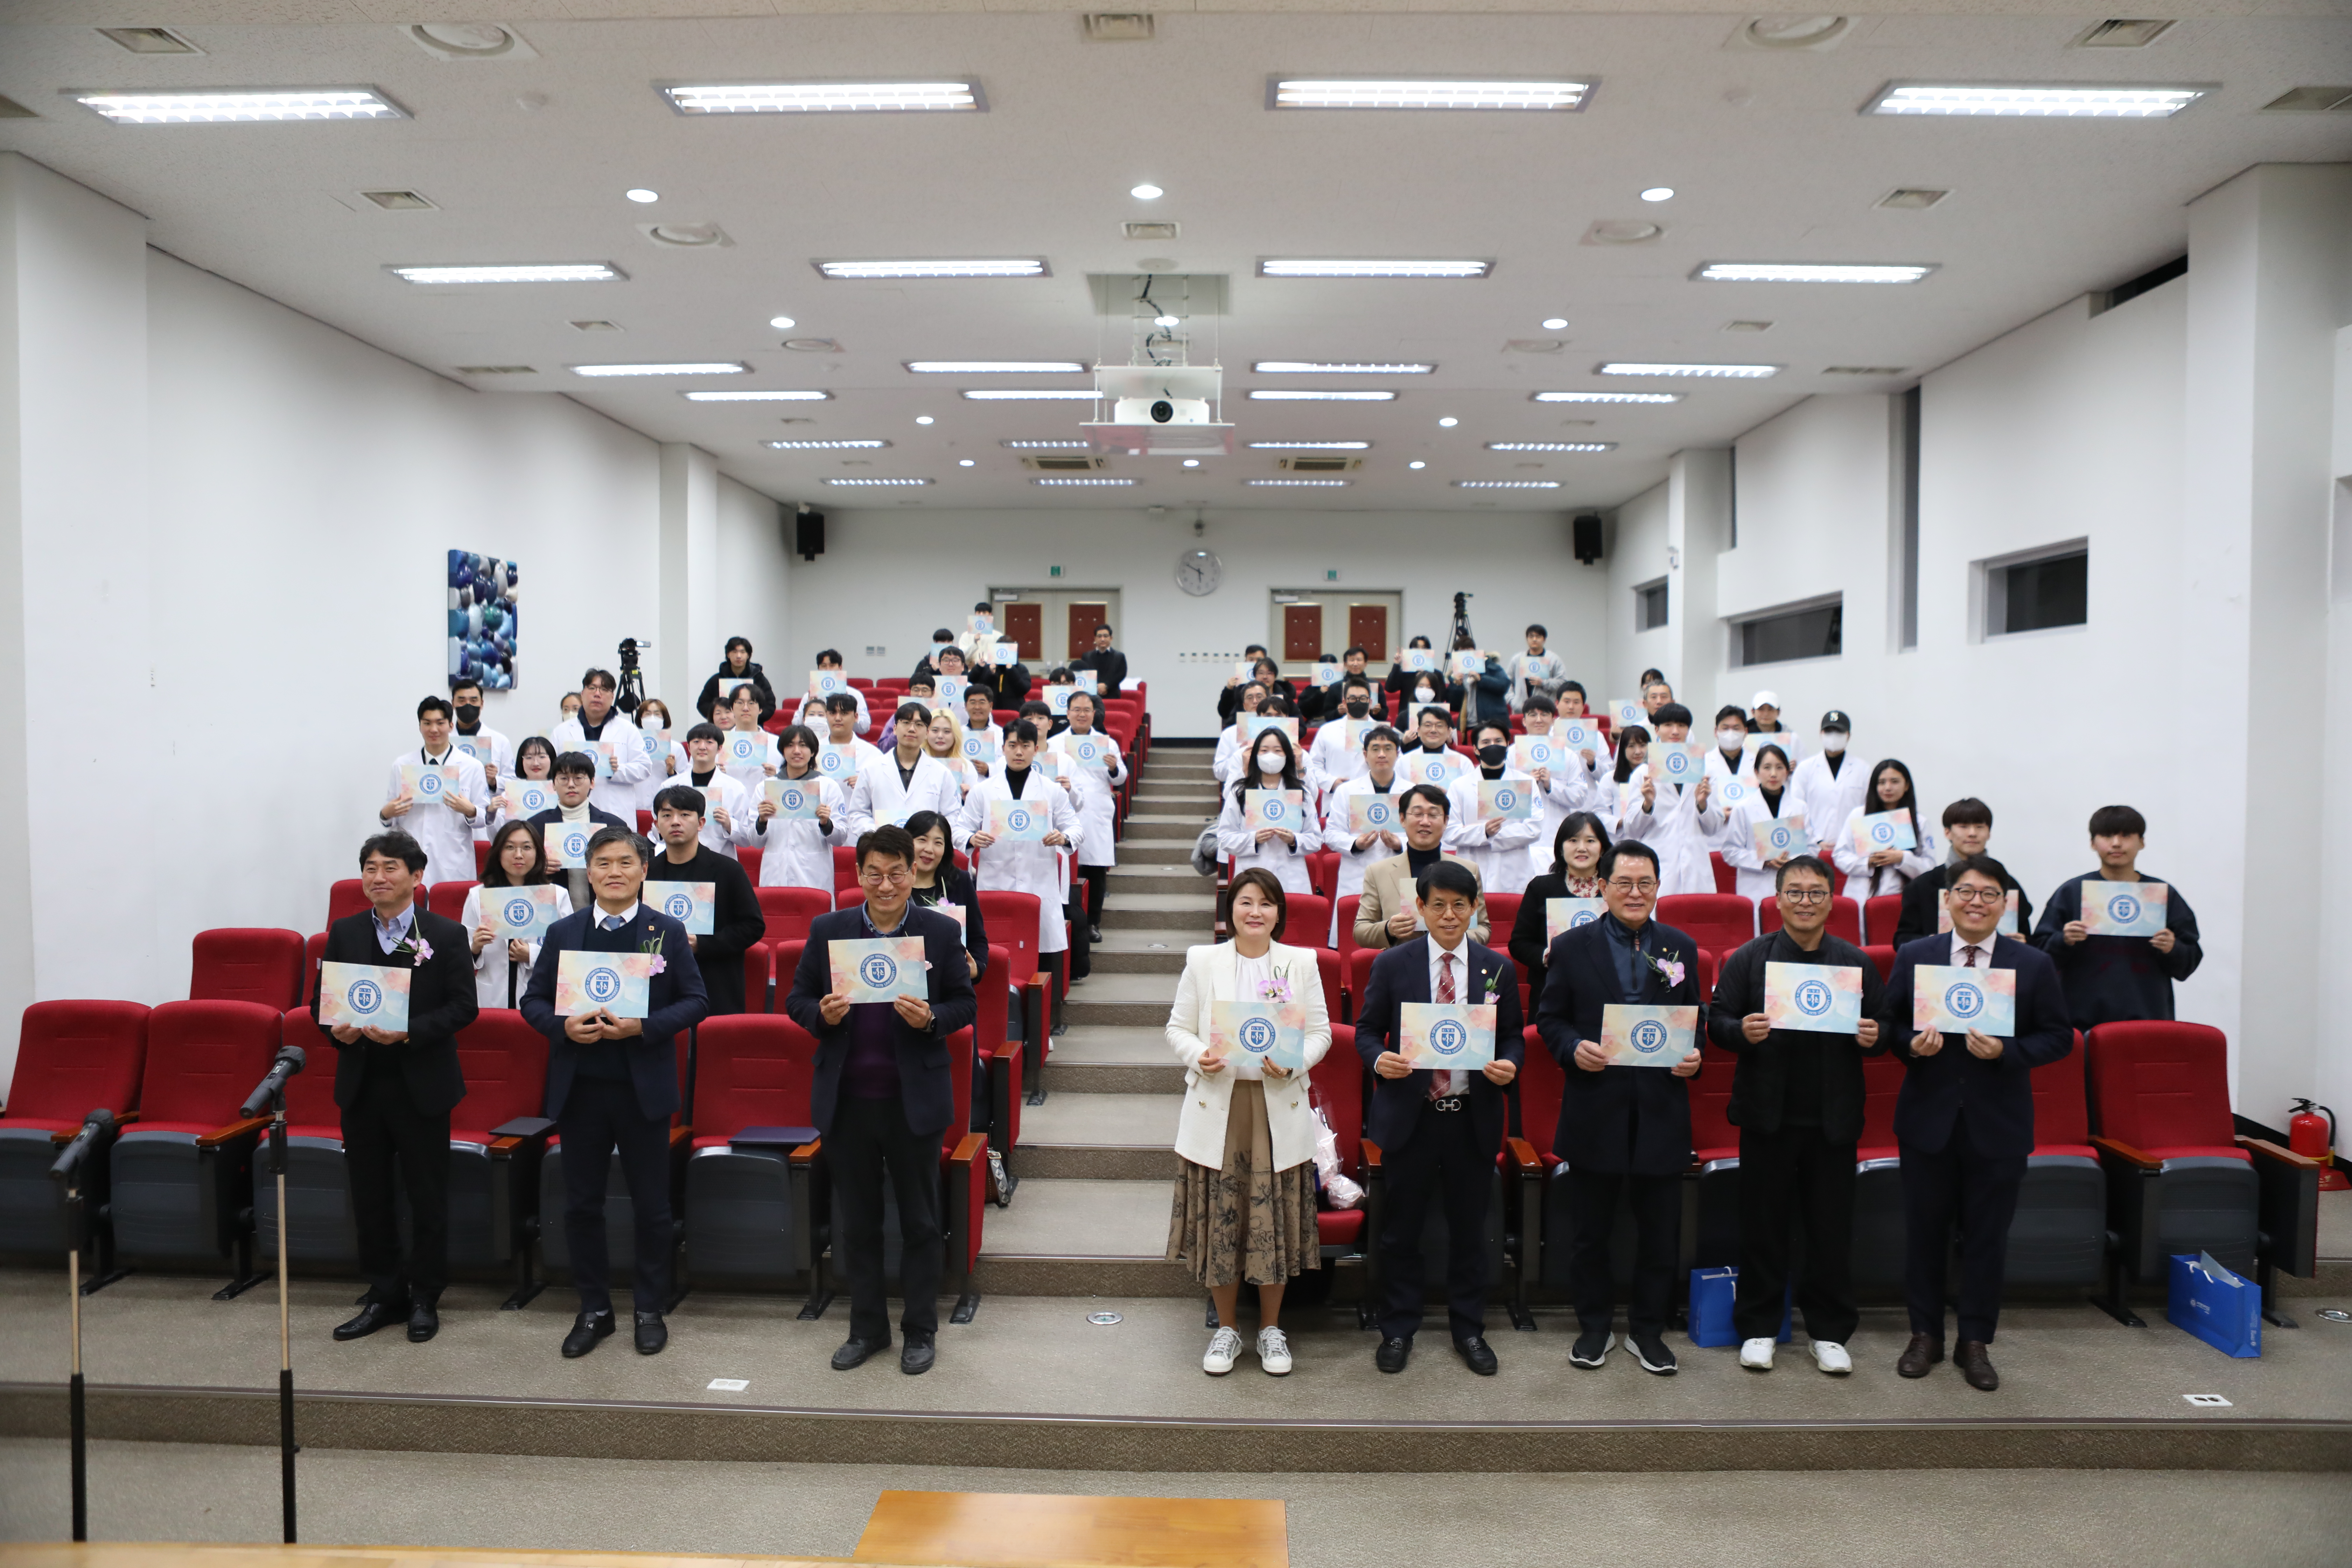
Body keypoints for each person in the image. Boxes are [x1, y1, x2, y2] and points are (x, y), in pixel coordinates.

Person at [784, 825, 978, 1376]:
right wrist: (820, 1014)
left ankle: (920, 1330)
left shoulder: (939, 933)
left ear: (914, 873)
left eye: (897, 872)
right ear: (858, 875)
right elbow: (796, 999)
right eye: (875, 872)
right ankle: (867, 1328)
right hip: (847, 1100)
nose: (887, 883)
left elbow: (965, 1003)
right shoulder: (829, 929)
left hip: (912, 1099)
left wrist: (935, 1019)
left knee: (919, 1221)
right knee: (859, 1224)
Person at [1880, 854, 2072, 1392]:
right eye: (1966, 891)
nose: (1976, 902)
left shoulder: (2030, 964)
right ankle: (1924, 1335)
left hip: (1998, 1123)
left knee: (1988, 1238)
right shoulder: (1916, 956)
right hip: (1928, 1121)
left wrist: (2007, 1053)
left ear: (2005, 904)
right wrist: (1910, 1046)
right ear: (1947, 899)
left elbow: (2058, 1036)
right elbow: (1889, 1026)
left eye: (1990, 894)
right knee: (1924, 1235)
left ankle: (1975, 1341)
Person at [522, 826, 708, 1359]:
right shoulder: (564, 932)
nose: (614, 873)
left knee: (651, 1206)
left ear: (643, 871)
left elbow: (696, 1001)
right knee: (582, 1205)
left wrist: (642, 1027)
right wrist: (562, 1028)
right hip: (580, 1089)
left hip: (642, 1088)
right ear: (589, 871)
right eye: (603, 863)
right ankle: (595, 1310)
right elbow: (533, 1002)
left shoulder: (665, 931)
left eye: (626, 863)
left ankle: (650, 1307)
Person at [1708, 855, 1886, 1375]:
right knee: (1763, 1227)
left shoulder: (1855, 962)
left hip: (1833, 1120)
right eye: (1795, 893)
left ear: (1832, 900)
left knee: (1830, 1231)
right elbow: (1717, 1021)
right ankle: (1760, 1328)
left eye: (1815, 893)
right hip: (1768, 1116)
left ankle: (1830, 1333)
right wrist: (1743, 1032)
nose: (1805, 902)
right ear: (1778, 899)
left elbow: (1888, 1026)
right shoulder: (1749, 958)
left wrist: (1874, 1037)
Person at [1534, 839, 1705, 1375]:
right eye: (1625, 883)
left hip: (1661, 1107)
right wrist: (1570, 1048)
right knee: (1592, 1232)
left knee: (1660, 1231)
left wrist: (1694, 1055)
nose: (1636, 893)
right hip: (1596, 1104)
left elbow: (1694, 1018)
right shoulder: (1570, 947)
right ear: (1600, 887)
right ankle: (1595, 1327)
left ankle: (1649, 1330)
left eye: (1646, 883)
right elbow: (1551, 1018)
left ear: (1658, 887)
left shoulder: (1680, 946)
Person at [1354, 859, 1524, 1375]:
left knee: (1471, 1231)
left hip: (1472, 1114)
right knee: (1401, 1231)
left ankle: (1469, 1329)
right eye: (1439, 905)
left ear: (1475, 910)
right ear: (1421, 909)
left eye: (1460, 905)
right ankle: (1398, 1328)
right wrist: (1378, 1059)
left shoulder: (1498, 968)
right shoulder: (1392, 964)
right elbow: (1365, 1032)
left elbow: (1515, 1034)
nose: (1450, 915)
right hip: (1413, 1116)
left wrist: (1511, 1062)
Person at [1163, 869, 1333, 1376]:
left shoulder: (1301, 963)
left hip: (1277, 1104)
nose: (1254, 912)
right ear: (1230, 909)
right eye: (1245, 902)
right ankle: (1228, 1329)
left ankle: (1273, 1330)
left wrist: (1296, 1062)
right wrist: (1200, 1057)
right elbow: (1177, 1028)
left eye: (1265, 903)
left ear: (1279, 912)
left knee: (1272, 1219)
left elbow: (1321, 1033)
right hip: (1221, 1104)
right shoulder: (1203, 960)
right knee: (1224, 1219)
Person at [314, 831, 479, 1344]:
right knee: (370, 1194)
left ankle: (426, 1295)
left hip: (421, 1082)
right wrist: (335, 1031)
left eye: (389, 868)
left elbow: (463, 1008)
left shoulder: (446, 935)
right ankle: (384, 1292)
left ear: (416, 876)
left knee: (426, 1194)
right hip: (363, 1082)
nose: (378, 878)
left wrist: (410, 1030)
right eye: (369, 868)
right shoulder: (342, 932)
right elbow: (326, 1004)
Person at [2029, 805, 2202, 1030]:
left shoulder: (2161, 895)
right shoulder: (2072, 893)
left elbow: (2190, 959)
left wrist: (2173, 948)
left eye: (2126, 836)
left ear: (2142, 842)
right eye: (2107, 836)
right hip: (2080, 1022)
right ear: (2093, 843)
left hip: (2147, 1019)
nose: (2117, 844)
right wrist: (2064, 940)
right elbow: (2038, 956)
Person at [954, 718, 1081, 997]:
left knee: (1041, 960)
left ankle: (1041, 1031)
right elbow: (959, 829)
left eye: (1025, 746)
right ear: (1003, 748)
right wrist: (972, 839)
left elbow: (1076, 828)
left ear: (1036, 749)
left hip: (1040, 883)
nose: (1019, 752)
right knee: (995, 956)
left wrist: (1064, 838)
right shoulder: (984, 791)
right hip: (996, 883)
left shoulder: (1052, 791)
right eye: (1013, 745)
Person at [648, 785, 766, 1016]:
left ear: (701, 823)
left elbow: (753, 927)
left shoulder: (728, 871)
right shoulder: (646, 873)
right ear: (657, 825)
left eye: (684, 815)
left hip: (715, 979)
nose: (675, 822)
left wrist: (701, 944)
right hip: (659, 982)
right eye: (667, 815)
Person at [1352, 785, 1490, 948]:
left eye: (1433, 815)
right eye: (1417, 814)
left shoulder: (1469, 869)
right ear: (1402, 819)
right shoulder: (1378, 872)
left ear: (1446, 821)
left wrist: (1459, 939)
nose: (1425, 822)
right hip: (1402, 965)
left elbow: (1483, 927)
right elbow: (1361, 930)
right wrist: (1389, 929)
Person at [1893, 799, 2036, 946]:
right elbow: (1902, 940)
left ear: (1989, 834)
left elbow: (2031, 939)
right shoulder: (1922, 886)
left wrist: (2024, 943)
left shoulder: (2009, 884)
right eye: (1964, 827)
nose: (1972, 834)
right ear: (1948, 833)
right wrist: (1929, 943)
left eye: (1980, 827)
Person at [379, 696, 489, 888]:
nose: (434, 730)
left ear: (451, 726)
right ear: (420, 726)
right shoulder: (403, 765)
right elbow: (389, 818)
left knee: (450, 912)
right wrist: (386, 814)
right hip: (410, 856)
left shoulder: (471, 767)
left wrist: (470, 810)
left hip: (453, 859)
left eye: (440, 723)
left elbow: (484, 818)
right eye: (427, 723)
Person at [464, 820, 573, 1009]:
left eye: (527, 848)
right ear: (498, 853)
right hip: (492, 995)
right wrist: (475, 948)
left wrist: (533, 955)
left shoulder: (556, 895)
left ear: (538, 852)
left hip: (541, 996)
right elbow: (462, 957)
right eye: (510, 847)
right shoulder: (479, 895)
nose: (519, 855)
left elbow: (570, 955)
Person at [1049, 691, 1128, 946]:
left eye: (1087, 710)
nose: (1082, 714)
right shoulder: (1055, 744)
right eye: (1076, 710)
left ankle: (1093, 922)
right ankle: (1068, 920)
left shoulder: (1107, 743)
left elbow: (1121, 779)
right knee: (1069, 867)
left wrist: (1114, 767)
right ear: (1068, 713)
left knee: (1095, 869)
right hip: (1065, 809)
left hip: (1095, 810)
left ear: (1094, 714)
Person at [1616, 702, 1715, 897]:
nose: (1676, 731)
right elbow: (1632, 829)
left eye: (1682, 726)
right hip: (1660, 860)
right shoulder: (1642, 774)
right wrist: (1647, 805)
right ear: (1656, 730)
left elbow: (1714, 828)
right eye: (1669, 725)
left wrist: (1703, 805)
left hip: (1696, 864)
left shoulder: (1705, 771)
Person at [1508, 811, 1612, 995]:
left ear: (1603, 848)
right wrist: (1547, 956)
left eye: (1590, 841)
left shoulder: (1615, 889)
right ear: (1561, 848)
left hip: (1605, 988)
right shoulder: (1541, 888)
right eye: (1573, 840)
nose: (1582, 848)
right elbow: (1519, 944)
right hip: (1551, 989)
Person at [1215, 727, 1321, 894]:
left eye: (1278, 751)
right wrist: (1253, 840)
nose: (1271, 756)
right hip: (1251, 875)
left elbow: (1316, 839)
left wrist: (1294, 840)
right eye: (1264, 751)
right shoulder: (1240, 792)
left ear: (1288, 755)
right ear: (1255, 755)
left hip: (1292, 878)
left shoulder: (1301, 792)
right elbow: (1225, 838)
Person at [1444, 720, 1542, 896]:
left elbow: (1534, 829)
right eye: (1486, 743)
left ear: (1508, 744)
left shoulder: (1526, 783)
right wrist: (1484, 832)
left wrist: (1495, 836)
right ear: (1476, 749)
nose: (1493, 747)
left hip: (1514, 870)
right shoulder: (1460, 786)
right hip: (1472, 866)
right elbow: (1450, 831)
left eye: (1499, 742)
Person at [845, 701, 965, 838]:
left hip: (925, 850)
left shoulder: (942, 773)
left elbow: (952, 814)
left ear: (927, 733)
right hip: (883, 846)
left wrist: (932, 836)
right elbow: (857, 813)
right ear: (895, 728)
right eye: (906, 723)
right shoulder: (872, 769)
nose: (912, 729)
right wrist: (877, 833)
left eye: (919, 725)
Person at [528, 752, 630, 911]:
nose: (571, 785)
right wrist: (536, 868)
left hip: (606, 911)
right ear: (553, 784)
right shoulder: (536, 826)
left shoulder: (614, 826)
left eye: (578, 778)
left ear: (592, 782)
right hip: (551, 911)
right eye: (563, 779)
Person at [752, 724, 846, 893]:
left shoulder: (828, 786)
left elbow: (841, 838)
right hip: (776, 873)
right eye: (790, 745)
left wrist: (827, 824)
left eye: (803, 745)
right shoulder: (766, 787)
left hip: (813, 874)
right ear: (782, 751)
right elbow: (755, 841)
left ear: (813, 752)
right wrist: (762, 822)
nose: (797, 751)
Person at [552, 669, 654, 821]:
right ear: (583, 694)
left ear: (613, 697)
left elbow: (645, 768)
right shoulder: (562, 731)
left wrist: (618, 770)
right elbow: (551, 773)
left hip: (615, 810)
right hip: (571, 815)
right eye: (592, 688)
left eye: (604, 690)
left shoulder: (627, 729)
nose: (597, 694)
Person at [1832, 758, 1936, 903]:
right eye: (1881, 783)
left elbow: (1929, 867)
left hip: (1902, 896)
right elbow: (1840, 855)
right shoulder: (1859, 815)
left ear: (1907, 786)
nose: (1888, 788)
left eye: (1895, 782)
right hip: (1860, 894)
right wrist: (1869, 862)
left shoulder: (1920, 822)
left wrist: (1902, 859)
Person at [904, 810, 989, 982]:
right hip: (906, 982)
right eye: (922, 840)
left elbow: (977, 938)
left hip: (951, 982)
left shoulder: (961, 882)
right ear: (907, 843)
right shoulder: (895, 884)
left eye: (938, 843)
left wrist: (977, 969)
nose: (929, 850)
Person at [1327, 725, 1407, 902]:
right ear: (1365, 755)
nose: (1382, 754)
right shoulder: (1346, 791)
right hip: (1358, 874)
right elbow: (1332, 834)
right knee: (1355, 925)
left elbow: (1424, 834)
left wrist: (1400, 844)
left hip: (1400, 872)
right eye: (1375, 749)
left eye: (1388, 749)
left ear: (1398, 753)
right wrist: (1356, 844)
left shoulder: (1412, 792)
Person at [1720, 744, 1805, 904]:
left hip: (1794, 884)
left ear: (1787, 772)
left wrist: (1793, 860)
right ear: (1757, 772)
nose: (1774, 774)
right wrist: (1764, 861)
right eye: (1767, 768)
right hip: (1756, 887)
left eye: (1780, 768)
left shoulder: (1800, 808)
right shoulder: (1743, 808)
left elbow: (1812, 847)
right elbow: (1730, 851)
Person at [1791, 711, 1865, 862]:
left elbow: (1867, 809)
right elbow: (1795, 810)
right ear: (1821, 734)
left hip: (1852, 851)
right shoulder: (1805, 769)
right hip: (1812, 850)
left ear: (1848, 735)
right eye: (1829, 731)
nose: (1833, 736)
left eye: (1839, 732)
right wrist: (1816, 840)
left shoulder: (1863, 770)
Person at [676, 723, 752, 858]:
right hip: (679, 858)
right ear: (688, 747)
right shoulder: (672, 785)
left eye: (709, 742)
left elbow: (747, 838)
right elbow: (658, 833)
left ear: (720, 748)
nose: (702, 747)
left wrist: (729, 824)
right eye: (697, 742)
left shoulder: (735, 788)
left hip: (720, 859)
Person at [1305, 676, 1377, 788]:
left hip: (1371, 796)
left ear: (1370, 702)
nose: (1358, 702)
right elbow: (1314, 764)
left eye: (1363, 699)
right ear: (1344, 703)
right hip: (1335, 797)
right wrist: (1331, 783)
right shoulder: (1327, 731)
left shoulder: (1383, 731)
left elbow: (1396, 763)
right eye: (1353, 699)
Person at [449, 676, 512, 802]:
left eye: (473, 700)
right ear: (453, 704)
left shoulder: (500, 741)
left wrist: (494, 781)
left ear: (482, 704)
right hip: (452, 807)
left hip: (487, 809)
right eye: (462, 700)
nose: (468, 705)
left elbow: (513, 783)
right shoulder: (445, 740)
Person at [816, 692, 889, 795]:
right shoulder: (813, 750)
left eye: (844, 713)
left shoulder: (873, 755)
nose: (838, 718)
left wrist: (866, 784)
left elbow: (886, 791)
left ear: (856, 717)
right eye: (833, 713)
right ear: (827, 716)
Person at [695, 635, 778, 724]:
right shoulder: (716, 680)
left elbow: (770, 705)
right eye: (735, 652)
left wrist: (753, 717)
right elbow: (703, 704)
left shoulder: (759, 679)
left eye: (743, 652)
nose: (739, 656)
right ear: (728, 655)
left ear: (748, 655)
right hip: (722, 729)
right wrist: (719, 716)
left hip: (751, 728)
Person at [794, 648, 873, 736]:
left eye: (832, 666)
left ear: (840, 668)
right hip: (816, 741)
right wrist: (808, 706)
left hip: (843, 743)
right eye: (824, 666)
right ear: (819, 669)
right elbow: (796, 724)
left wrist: (849, 711)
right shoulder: (810, 696)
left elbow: (865, 728)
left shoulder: (854, 695)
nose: (828, 670)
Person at [631, 699, 683, 817]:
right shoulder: (632, 745)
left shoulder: (676, 748)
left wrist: (671, 771)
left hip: (666, 809)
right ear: (640, 718)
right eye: (648, 714)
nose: (652, 718)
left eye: (657, 714)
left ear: (664, 719)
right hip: (635, 806)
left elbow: (685, 780)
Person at [1590, 723, 1648, 828]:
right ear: (1623, 749)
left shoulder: (1656, 778)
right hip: (1620, 837)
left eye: (1643, 746)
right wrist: (1621, 823)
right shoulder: (1610, 779)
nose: (1638, 752)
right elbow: (1600, 813)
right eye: (1631, 746)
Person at [1505, 623, 1561, 710]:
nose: (1534, 640)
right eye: (1531, 637)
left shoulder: (1553, 659)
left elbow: (1562, 682)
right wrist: (1513, 701)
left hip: (1546, 709)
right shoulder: (1517, 659)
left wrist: (1543, 683)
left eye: (1538, 637)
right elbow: (1507, 682)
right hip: (1520, 709)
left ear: (1544, 640)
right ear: (1527, 639)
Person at [1070, 622, 1128, 698]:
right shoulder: (1087, 656)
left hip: (1112, 694)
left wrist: (1106, 686)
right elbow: (1085, 674)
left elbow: (1121, 674)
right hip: (1092, 694)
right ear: (1095, 639)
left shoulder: (1119, 656)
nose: (1103, 639)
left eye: (1106, 636)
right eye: (1100, 636)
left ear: (1111, 638)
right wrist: (1097, 687)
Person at [1747, 688, 1799, 761]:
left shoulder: (1791, 738)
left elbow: (1803, 763)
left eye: (1771, 709)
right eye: (1761, 709)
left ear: (1779, 712)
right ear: (1753, 712)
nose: (1766, 714)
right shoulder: (1743, 736)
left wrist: (1795, 766)